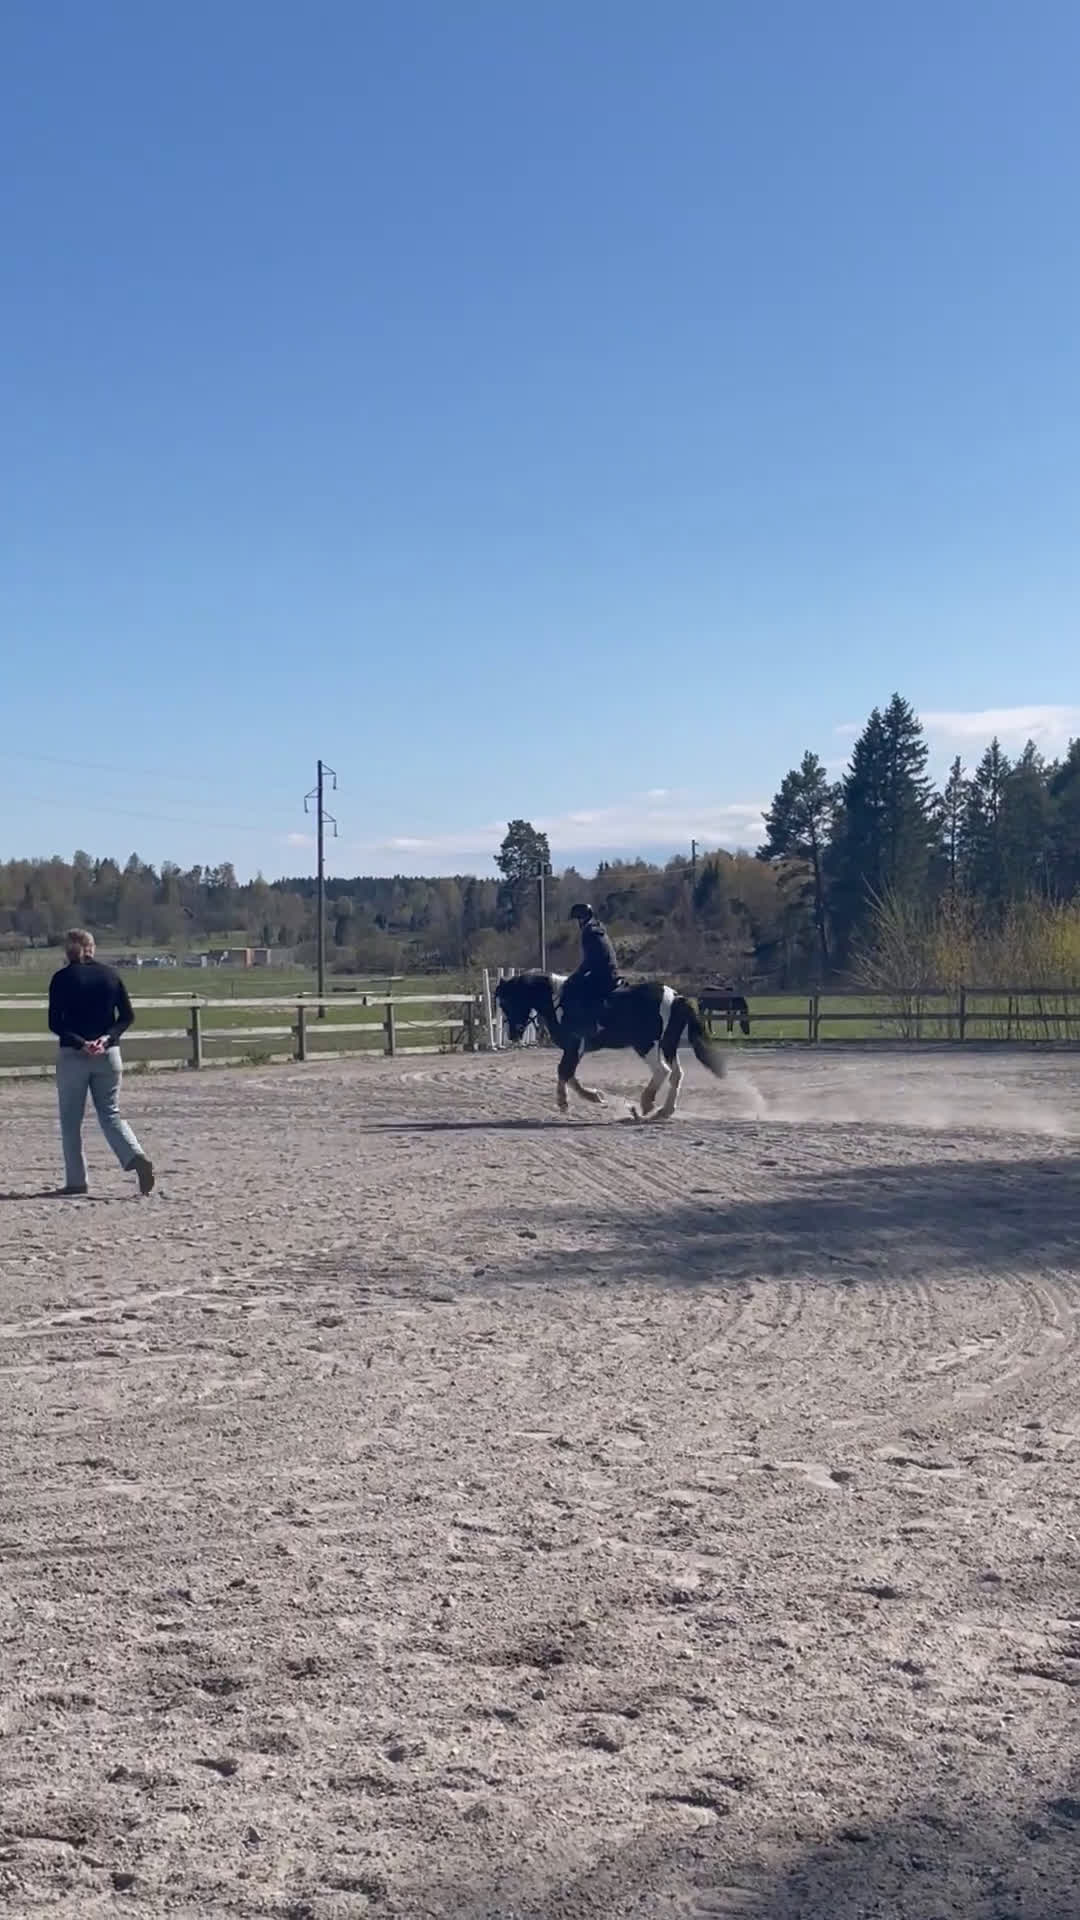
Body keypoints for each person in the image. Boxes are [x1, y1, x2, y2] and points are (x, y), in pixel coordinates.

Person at [47, 929, 155, 1196]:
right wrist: (106, 1039)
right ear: (92, 948)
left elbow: (54, 1023)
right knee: (110, 1113)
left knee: (71, 1121)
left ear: (69, 950)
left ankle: (76, 1180)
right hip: (108, 1055)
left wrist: (81, 1042)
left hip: (74, 1055)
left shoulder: (61, 979)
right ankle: (135, 1155)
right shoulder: (111, 975)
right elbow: (127, 1016)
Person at [557, 903, 622, 1042]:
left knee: (578, 990)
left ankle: (592, 1025)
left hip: (603, 973)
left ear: (582, 918)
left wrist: (575, 976)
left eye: (577, 920)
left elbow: (590, 961)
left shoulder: (589, 932)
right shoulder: (597, 929)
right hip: (608, 970)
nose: (577, 923)